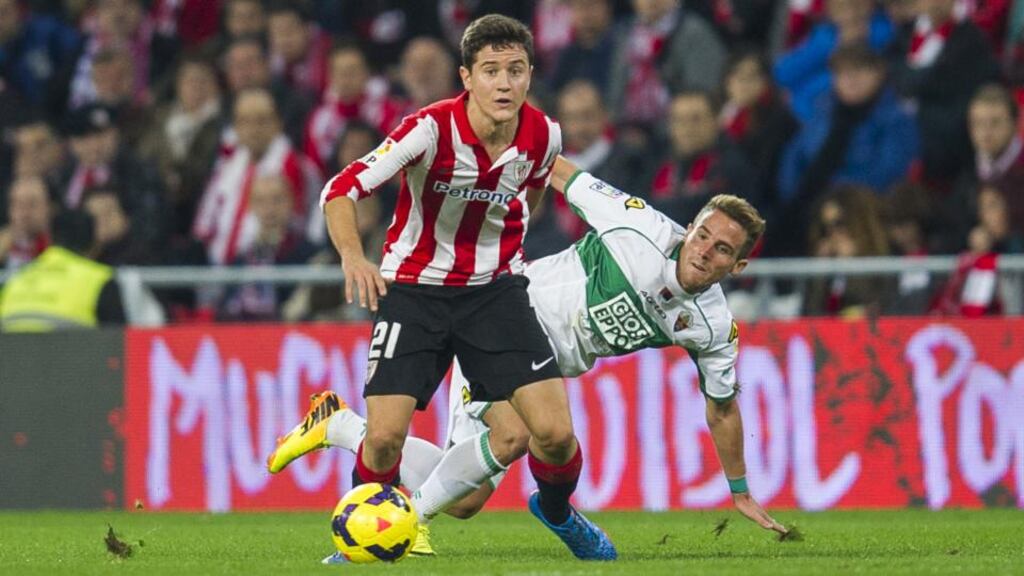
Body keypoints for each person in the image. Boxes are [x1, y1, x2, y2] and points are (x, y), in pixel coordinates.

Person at [269, 155, 788, 556]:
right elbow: (557, 168)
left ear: (737, 266)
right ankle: (404, 525)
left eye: (723, 249)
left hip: (547, 370)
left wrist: (739, 490)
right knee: (516, 435)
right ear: (690, 226)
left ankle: (339, 427)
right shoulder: (638, 227)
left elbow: (721, 407)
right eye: (703, 234)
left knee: (472, 499)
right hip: (501, 320)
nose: (704, 249)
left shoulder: (713, 325)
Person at [273, 14, 616, 562]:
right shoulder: (428, 129)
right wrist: (353, 257)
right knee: (384, 439)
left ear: (530, 75)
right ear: (466, 77)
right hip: (415, 291)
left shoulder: (544, 135)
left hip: (495, 295)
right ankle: (356, 541)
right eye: (491, 71)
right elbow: (342, 189)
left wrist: (509, 244)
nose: (504, 83)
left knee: (549, 435)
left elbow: (530, 195)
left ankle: (558, 513)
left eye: (516, 70)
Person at [0, 209, 124, 331]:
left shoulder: (15, 280)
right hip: (73, 351)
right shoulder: (100, 280)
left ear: (49, 239)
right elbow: (118, 343)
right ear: (94, 244)